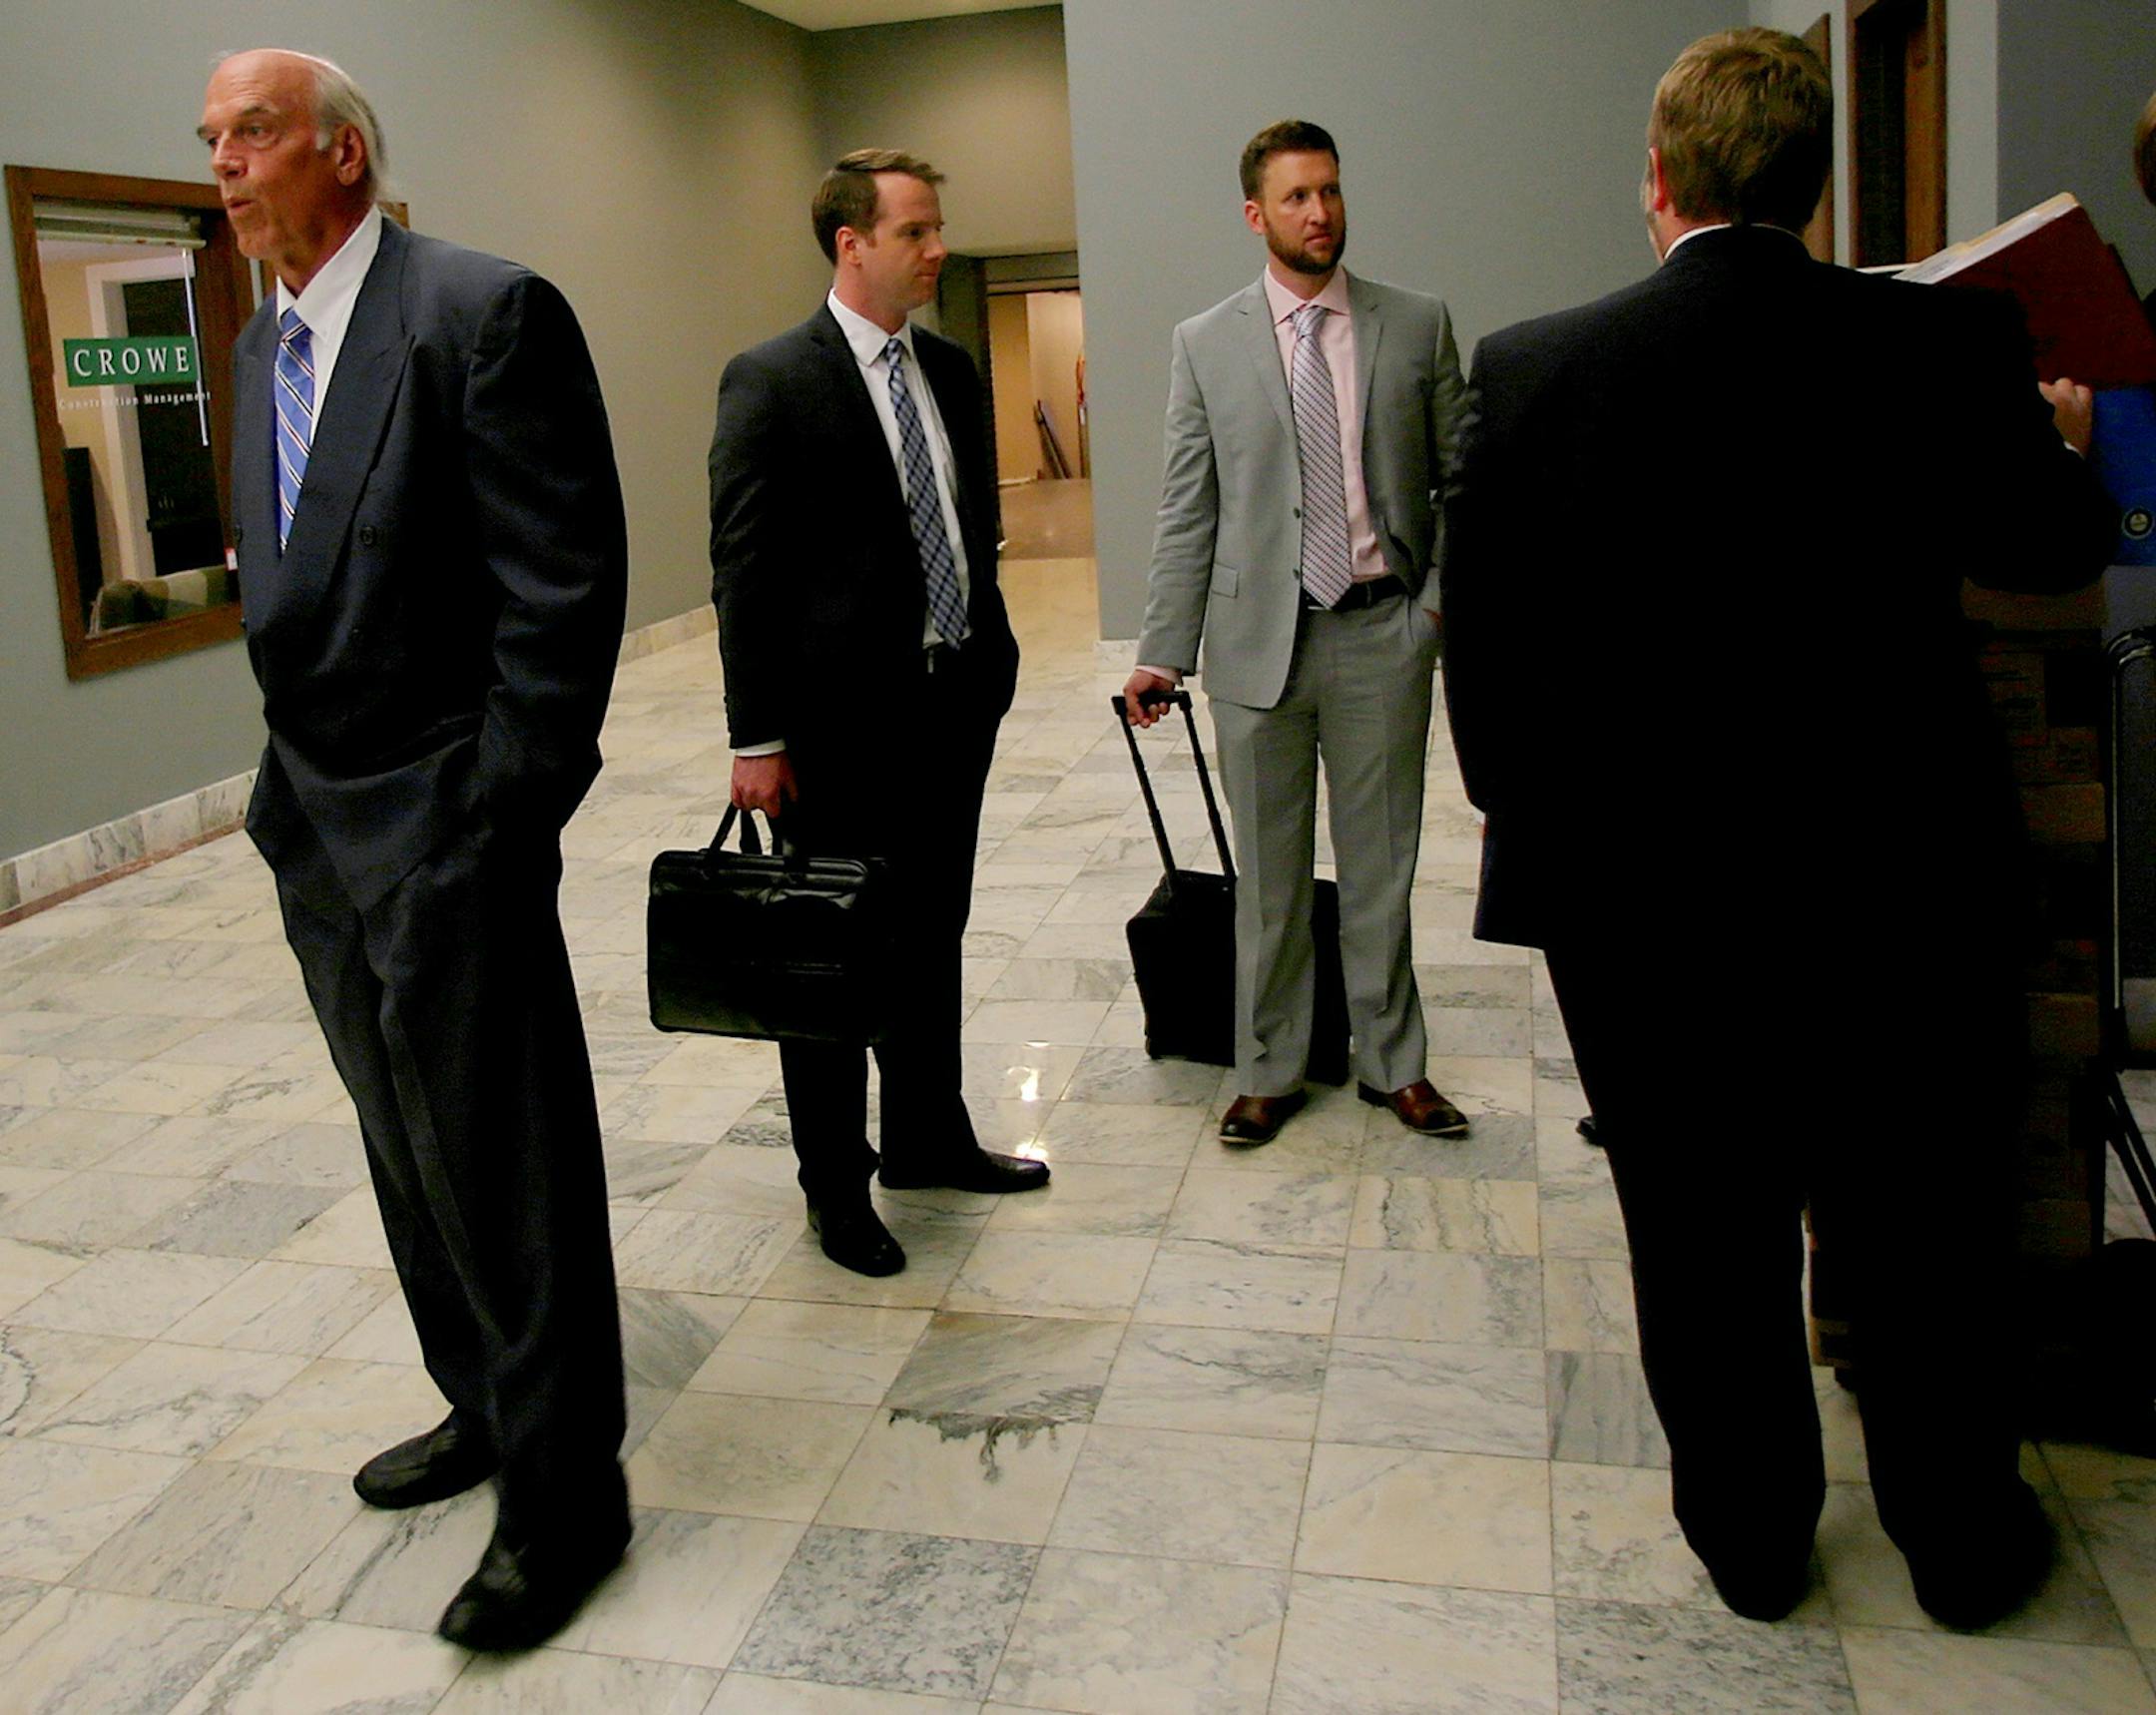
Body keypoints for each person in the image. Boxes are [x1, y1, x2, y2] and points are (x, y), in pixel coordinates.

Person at [1441, 28, 2115, 1628]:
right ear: (1813, 187)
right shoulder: (1950, 345)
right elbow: (2055, 549)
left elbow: (1483, 648)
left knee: (1702, 1236)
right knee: (1925, 1226)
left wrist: (1547, 826)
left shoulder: (1537, 369)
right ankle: (1957, 1541)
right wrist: (2067, 435)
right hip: (1903, 882)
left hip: (1650, 909)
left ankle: (1751, 1537)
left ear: (1658, 182)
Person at [201, 49, 631, 1651]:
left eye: (252, 134)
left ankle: (568, 1488)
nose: (226, 165)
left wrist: (497, 814)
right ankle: (480, 1402)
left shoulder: (481, 312)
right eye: (213, 142)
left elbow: (562, 594)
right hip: (319, 830)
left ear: (344, 152)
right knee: (406, 1148)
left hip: (448, 824)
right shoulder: (262, 346)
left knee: (509, 1161)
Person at [708, 150, 1043, 1279]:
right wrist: (756, 736)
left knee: (932, 931)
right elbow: (743, 570)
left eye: (937, 227)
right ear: (852, 244)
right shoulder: (770, 380)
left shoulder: (949, 370)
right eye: (916, 231)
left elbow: (970, 520)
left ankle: (927, 1139)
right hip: (835, 737)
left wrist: (987, 653)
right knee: (830, 960)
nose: (936, 248)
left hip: (951, 705)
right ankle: (834, 1187)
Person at [1122, 120, 1473, 1148]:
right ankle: (1268, 1064)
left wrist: (1435, 610)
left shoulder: (1415, 323)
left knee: (1381, 868)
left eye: (1329, 191)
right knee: (1268, 880)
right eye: (1295, 197)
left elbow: (1467, 482)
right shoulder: (1205, 340)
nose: (1319, 212)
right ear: (1254, 215)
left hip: (1381, 633)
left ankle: (1392, 1062)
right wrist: (1162, 649)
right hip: (1253, 649)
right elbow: (1189, 507)